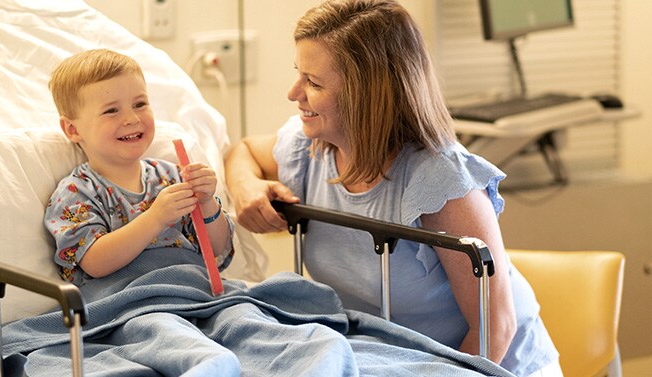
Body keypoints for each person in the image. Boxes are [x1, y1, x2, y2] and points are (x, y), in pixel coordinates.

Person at [224, 1, 560, 376]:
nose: (293, 93)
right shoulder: (309, 150)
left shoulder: (441, 182)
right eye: (299, 75)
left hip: (485, 366)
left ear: (366, 96)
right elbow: (244, 151)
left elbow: (496, 330)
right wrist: (246, 187)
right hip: (388, 363)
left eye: (313, 83)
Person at [44, 49, 234, 286]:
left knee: (265, 304)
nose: (132, 118)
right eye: (111, 110)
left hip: (196, 289)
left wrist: (207, 203)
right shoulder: (76, 192)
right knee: (163, 325)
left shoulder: (173, 177)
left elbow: (217, 248)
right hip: (133, 302)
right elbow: (94, 262)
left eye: (140, 104)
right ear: (73, 129)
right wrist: (155, 218)